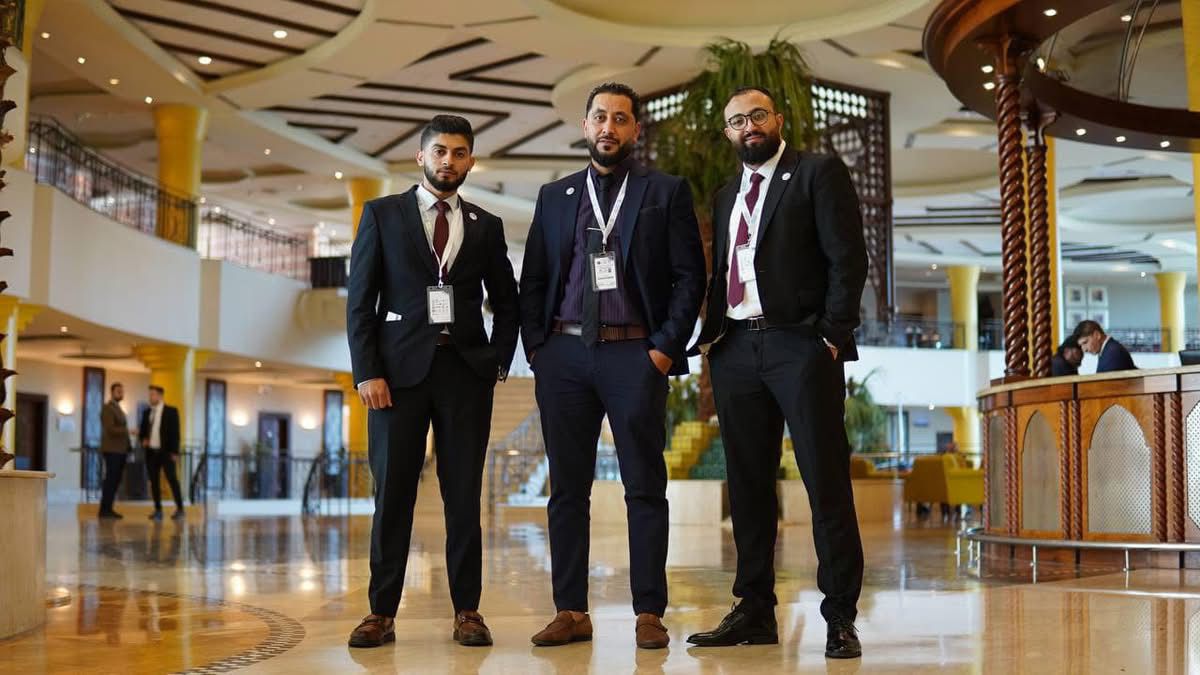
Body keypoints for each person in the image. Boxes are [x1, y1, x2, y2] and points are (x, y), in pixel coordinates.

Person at [518, 82, 705, 650]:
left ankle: (649, 612)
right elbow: (534, 278)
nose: (608, 127)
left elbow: (690, 278)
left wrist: (663, 349)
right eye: (600, 117)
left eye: (620, 119)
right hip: (564, 353)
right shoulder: (555, 196)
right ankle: (570, 610)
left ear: (635, 130)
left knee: (643, 485)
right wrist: (538, 349)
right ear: (584, 125)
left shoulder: (664, 191)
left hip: (634, 354)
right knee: (566, 490)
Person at [687, 86, 868, 659]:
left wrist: (830, 336)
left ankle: (840, 616)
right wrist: (712, 340)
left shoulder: (816, 173)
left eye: (757, 115)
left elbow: (848, 257)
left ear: (779, 120)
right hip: (736, 347)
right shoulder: (726, 195)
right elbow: (723, 269)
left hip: (800, 345)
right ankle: (754, 610)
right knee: (747, 486)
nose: (749, 126)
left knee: (824, 482)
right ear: (728, 133)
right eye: (737, 121)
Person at [345, 114, 519, 649]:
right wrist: (367, 371)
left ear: (470, 161)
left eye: (459, 153)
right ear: (421, 156)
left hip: (465, 375)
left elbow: (508, 301)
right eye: (440, 151)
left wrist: (497, 360)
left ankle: (468, 611)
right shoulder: (382, 214)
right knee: (392, 496)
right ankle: (381, 612)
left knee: (463, 498)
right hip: (396, 379)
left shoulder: (486, 225)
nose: (449, 161)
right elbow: (360, 302)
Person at [139, 385, 183, 521]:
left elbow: (176, 433)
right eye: (150, 394)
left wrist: (175, 452)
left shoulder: (171, 411)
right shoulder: (147, 412)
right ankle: (158, 510)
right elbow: (142, 431)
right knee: (154, 482)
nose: (150, 397)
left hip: (167, 452)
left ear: (160, 396)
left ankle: (180, 509)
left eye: (153, 394)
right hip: (151, 452)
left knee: (172, 480)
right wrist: (143, 439)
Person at [98, 382, 131, 519]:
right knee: (111, 480)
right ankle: (104, 510)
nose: (121, 393)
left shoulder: (118, 408)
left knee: (115, 480)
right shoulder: (107, 408)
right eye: (118, 391)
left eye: (122, 391)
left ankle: (108, 508)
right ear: (112, 392)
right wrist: (128, 431)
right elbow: (110, 428)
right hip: (112, 450)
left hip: (120, 450)